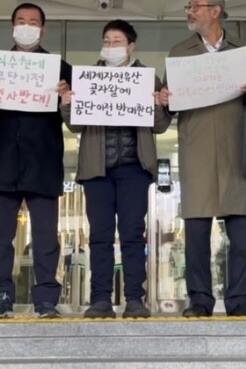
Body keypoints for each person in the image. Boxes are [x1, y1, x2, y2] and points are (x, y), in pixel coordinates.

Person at [156, 0, 246, 318]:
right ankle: (199, 300)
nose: (190, 11)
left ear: (216, 10)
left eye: (195, 6)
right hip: (197, 151)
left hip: (235, 150)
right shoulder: (179, 52)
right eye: (189, 6)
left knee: (241, 235)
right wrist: (162, 102)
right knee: (197, 235)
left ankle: (240, 300)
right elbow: (162, 118)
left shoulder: (243, 53)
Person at [60, 20, 171, 318]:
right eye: (107, 41)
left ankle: (135, 298)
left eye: (117, 41)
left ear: (131, 45)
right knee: (99, 235)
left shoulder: (148, 78)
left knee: (134, 234)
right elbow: (75, 124)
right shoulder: (88, 78)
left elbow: (160, 126)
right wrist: (68, 104)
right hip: (97, 169)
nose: (110, 46)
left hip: (134, 167)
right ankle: (100, 299)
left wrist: (160, 106)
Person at [0, 3, 72, 319]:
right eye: (20, 21)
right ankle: (0, 296)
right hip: (3, 160)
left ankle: (46, 299)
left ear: (43, 30)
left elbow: (74, 116)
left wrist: (66, 97)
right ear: (11, 26)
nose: (26, 26)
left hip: (43, 162)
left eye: (33, 22)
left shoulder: (61, 69)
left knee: (45, 236)